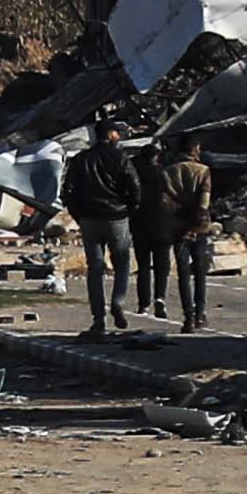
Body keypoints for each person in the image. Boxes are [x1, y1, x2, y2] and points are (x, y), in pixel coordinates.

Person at [62, 118, 148, 337]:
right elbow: (135, 185)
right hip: (117, 217)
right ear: (110, 135)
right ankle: (118, 301)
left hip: (89, 218)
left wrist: (78, 215)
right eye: (117, 133)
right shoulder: (121, 157)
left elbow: (67, 190)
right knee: (122, 263)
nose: (119, 136)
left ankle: (98, 318)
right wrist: (131, 208)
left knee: (95, 268)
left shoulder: (81, 159)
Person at [160, 139, 220, 333]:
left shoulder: (168, 172)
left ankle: (188, 318)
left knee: (183, 273)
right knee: (200, 272)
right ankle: (200, 313)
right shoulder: (203, 171)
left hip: (177, 225)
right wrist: (196, 225)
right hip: (199, 226)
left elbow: (165, 202)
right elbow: (204, 202)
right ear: (195, 149)